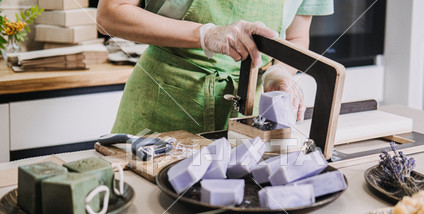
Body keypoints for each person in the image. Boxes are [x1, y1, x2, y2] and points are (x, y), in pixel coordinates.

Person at [97, 0, 334, 135]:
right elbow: (110, 13)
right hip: (164, 101)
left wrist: (279, 72)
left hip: (250, 116)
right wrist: (205, 34)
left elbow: (297, 38)